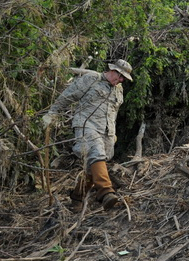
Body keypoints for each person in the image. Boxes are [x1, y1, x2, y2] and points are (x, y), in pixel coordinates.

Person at [43, 59, 133, 210]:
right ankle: (106, 193)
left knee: (94, 166)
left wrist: (113, 132)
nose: (121, 80)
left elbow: (113, 112)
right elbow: (68, 95)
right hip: (86, 124)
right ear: (112, 70)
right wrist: (52, 113)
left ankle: (77, 199)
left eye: (123, 78)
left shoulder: (119, 89)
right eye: (120, 76)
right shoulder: (91, 78)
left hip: (106, 130)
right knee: (96, 152)